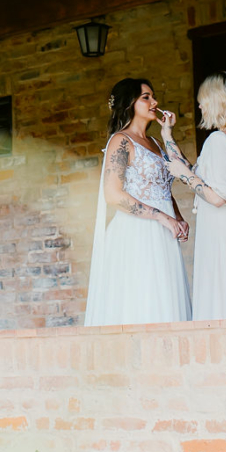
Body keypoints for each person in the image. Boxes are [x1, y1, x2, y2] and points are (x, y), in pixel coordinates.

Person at [160, 71, 226, 321]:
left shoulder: (219, 141)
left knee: (225, 313)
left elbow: (218, 196)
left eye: (203, 99)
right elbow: (197, 173)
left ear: (216, 101)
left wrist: (184, 177)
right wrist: (167, 136)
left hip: (225, 240)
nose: (199, 105)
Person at [84, 78, 192, 326]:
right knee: (143, 300)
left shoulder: (155, 143)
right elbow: (113, 195)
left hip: (163, 234)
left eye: (153, 97)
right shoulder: (121, 142)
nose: (154, 102)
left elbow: (171, 182)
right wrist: (160, 216)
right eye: (146, 97)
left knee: (166, 299)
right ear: (130, 103)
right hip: (136, 234)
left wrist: (177, 216)